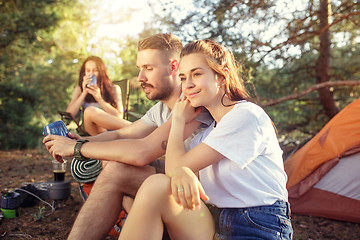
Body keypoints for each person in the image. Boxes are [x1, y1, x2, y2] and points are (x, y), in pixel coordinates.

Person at [118, 39, 293, 240]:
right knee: (156, 186)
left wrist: (177, 121)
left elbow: (175, 167)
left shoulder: (246, 115)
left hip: (258, 225)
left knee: (160, 182)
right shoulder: (207, 133)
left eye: (197, 74)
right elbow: (174, 173)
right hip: (215, 223)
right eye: (183, 78)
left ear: (222, 76)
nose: (188, 84)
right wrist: (181, 171)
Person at [43, 33, 213, 240]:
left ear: (174, 67)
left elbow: (142, 151)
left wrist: (76, 149)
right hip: (180, 187)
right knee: (116, 168)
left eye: (148, 69)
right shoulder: (161, 109)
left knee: (118, 170)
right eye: (139, 69)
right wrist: (78, 141)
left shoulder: (194, 103)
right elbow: (122, 134)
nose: (141, 77)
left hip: (203, 204)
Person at [66, 56, 131, 135]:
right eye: (88, 70)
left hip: (111, 130)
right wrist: (84, 93)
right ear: (84, 73)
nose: (91, 74)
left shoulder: (114, 88)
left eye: (95, 70)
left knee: (90, 111)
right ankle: (137, 128)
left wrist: (99, 98)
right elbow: (69, 114)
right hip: (93, 129)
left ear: (101, 72)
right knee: (89, 111)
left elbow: (119, 116)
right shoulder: (79, 89)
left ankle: (136, 129)